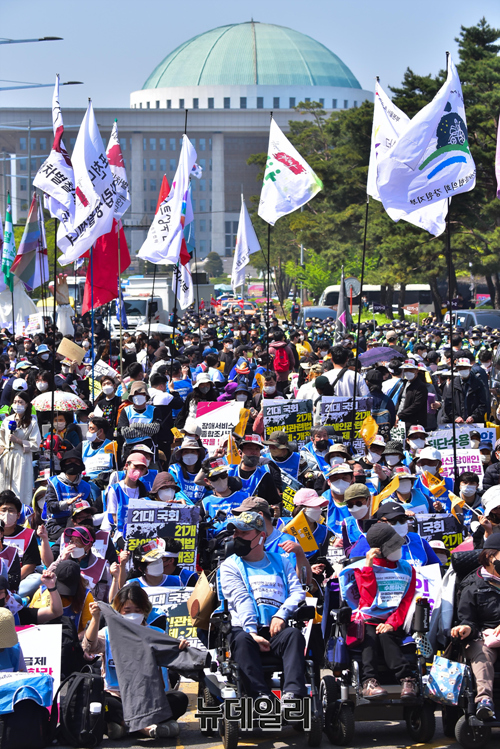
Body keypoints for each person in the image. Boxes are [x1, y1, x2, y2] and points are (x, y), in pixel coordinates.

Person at [219, 511, 308, 701]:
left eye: (244, 533)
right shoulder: (230, 565)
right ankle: (260, 696)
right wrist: (252, 632)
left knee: (294, 635)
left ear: (261, 536)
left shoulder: (281, 561)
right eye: (236, 533)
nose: (237, 537)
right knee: (242, 641)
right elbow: (241, 598)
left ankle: (293, 694)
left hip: (276, 629)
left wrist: (281, 615)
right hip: (246, 629)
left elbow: (298, 592)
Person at [83, 585, 189, 739]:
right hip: (118, 697)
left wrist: (181, 648)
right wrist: (95, 618)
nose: (133, 614)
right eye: (127, 610)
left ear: (145, 610)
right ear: (118, 611)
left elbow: (176, 659)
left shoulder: (156, 633)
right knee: (100, 701)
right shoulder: (108, 634)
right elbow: (89, 647)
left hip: (150, 699)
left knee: (180, 699)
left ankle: (123, 726)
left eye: (137, 610)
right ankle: (144, 728)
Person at [339, 523, 418, 700]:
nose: (398, 549)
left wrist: (391, 623)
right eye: (392, 547)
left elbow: (406, 601)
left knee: (386, 635)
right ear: (379, 550)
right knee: (370, 634)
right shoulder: (361, 567)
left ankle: (407, 679)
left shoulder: (407, 569)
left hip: (395, 619)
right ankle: (369, 681)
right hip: (367, 618)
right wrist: (368, 567)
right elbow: (367, 600)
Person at [451, 534, 500, 720]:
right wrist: (466, 628)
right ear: (490, 557)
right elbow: (467, 619)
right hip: (483, 638)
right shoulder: (472, 585)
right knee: (482, 654)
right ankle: (484, 701)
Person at [0, 491, 41, 597]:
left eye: (11, 510)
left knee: (36, 579)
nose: (7, 514)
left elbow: (30, 565)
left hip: (19, 580)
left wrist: (10, 583)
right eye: (3, 510)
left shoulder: (29, 534)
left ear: (18, 515)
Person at [0, 391, 41, 499]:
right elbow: (1, 439)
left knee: (20, 487)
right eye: (15, 402)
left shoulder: (32, 423)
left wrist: (18, 440)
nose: (17, 404)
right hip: (7, 456)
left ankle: (21, 507)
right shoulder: (7, 420)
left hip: (22, 457)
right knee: (4, 486)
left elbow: (35, 444)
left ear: (26, 404)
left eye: (20, 402)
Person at [45, 451, 92, 541]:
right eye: (69, 462)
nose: (72, 464)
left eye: (76, 462)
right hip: (57, 525)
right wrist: (67, 503)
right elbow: (51, 507)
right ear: (63, 465)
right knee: (72, 534)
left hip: (79, 522)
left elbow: (89, 509)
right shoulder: (54, 483)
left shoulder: (86, 486)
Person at [104, 453, 150, 537]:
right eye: (135, 467)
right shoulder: (115, 489)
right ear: (126, 466)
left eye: (141, 469)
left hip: (141, 533)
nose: (138, 471)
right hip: (121, 533)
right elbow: (114, 518)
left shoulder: (145, 488)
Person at [227, 435, 281, 504]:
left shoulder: (265, 477)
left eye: (257, 449)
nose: (254, 452)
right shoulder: (229, 472)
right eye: (250, 448)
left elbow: (274, 502)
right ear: (240, 452)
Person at [442, 357, 488, 425]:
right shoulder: (453, 384)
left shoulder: (478, 383)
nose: (463, 370)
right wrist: (455, 417)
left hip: (475, 424)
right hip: (457, 424)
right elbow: (448, 404)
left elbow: (483, 404)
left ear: (470, 368)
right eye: (460, 368)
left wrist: (474, 417)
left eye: (465, 368)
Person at [168, 436, 207, 504]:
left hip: (201, 507)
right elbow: (177, 491)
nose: (189, 455)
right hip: (181, 505)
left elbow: (209, 492)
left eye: (192, 451)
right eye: (186, 452)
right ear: (181, 455)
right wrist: (190, 506)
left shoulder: (205, 470)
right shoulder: (174, 469)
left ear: (198, 454)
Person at [323, 464, 353, 538]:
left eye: (344, 478)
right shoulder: (321, 502)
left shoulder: (362, 500)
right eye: (335, 478)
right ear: (329, 482)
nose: (340, 481)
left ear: (352, 481)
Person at [397, 360, 429, 429]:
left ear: (416, 370)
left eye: (410, 370)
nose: (408, 372)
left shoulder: (421, 386)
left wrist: (400, 415)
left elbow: (416, 405)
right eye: (406, 370)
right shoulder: (403, 383)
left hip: (414, 423)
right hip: (401, 421)